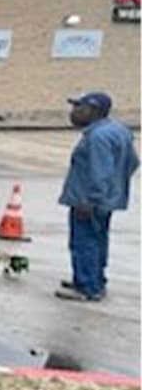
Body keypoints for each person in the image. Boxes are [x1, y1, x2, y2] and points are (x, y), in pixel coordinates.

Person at [55, 91, 139, 301]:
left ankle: (87, 287)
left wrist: (90, 200)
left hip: (90, 201)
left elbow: (99, 171)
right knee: (98, 240)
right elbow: (133, 162)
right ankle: (94, 279)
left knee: (84, 241)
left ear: (93, 110)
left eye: (78, 108)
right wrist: (115, 187)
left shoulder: (97, 137)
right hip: (108, 200)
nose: (73, 113)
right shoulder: (118, 130)